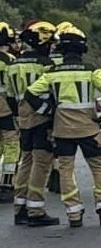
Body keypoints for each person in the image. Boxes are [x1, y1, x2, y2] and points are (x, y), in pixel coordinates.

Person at [24, 25, 101, 228]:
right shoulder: (91, 70)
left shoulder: (52, 72)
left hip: (62, 130)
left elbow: (30, 94)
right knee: (99, 167)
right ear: (81, 49)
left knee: (66, 170)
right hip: (89, 129)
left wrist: (47, 111)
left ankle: (74, 214)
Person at [8, 21, 58, 226]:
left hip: (22, 116)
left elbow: (10, 96)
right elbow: (53, 95)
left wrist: (18, 116)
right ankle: (35, 210)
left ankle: (19, 208)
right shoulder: (46, 65)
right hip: (42, 118)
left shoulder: (13, 65)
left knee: (25, 160)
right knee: (42, 162)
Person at [0, 23, 18, 204]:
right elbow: (12, 88)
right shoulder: (9, 61)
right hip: (5, 110)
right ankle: (6, 185)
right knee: (12, 146)